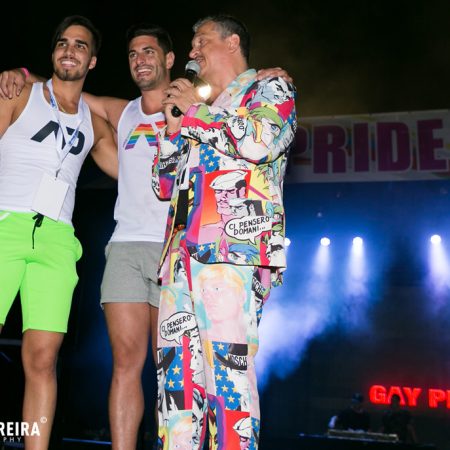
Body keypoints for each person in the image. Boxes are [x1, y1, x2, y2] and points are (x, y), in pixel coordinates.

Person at [0, 24, 293, 450]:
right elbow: (68, 88)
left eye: (150, 51)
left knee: (220, 375)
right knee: (167, 376)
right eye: (132, 53)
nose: (140, 60)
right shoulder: (128, 112)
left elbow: (259, 139)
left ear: (169, 59)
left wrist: (194, 109)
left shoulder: (241, 95)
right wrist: (23, 75)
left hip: (217, 254)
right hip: (158, 254)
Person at [153, 14, 297, 448]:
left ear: (232, 42)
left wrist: (195, 113)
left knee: (228, 381)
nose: (192, 51)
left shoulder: (270, 87)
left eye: (201, 41)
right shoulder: (196, 111)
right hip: (179, 261)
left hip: (232, 255)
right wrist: (173, 128)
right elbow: (163, 186)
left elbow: (258, 142)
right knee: (175, 388)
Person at [0, 15, 117, 450]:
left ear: (92, 61)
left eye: (81, 45)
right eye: (63, 43)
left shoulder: (94, 122)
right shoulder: (18, 92)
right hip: (6, 225)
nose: (70, 50)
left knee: (43, 359)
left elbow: (133, 173)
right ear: (53, 53)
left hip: (57, 240)